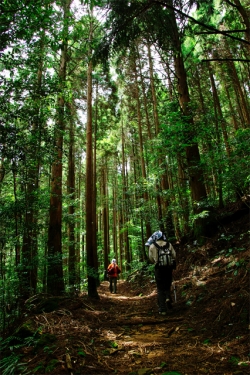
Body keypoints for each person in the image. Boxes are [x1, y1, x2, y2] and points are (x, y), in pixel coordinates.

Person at [146, 231, 176, 315]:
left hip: (159, 269)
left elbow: (151, 259)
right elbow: (174, 255)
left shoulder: (152, 246)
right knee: (167, 285)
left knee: (160, 288)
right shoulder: (169, 244)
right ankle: (167, 298)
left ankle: (162, 309)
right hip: (168, 269)